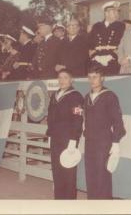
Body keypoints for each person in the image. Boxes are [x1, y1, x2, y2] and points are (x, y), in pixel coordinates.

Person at [83, 66, 126, 199]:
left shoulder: (109, 96)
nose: (92, 80)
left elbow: (118, 122)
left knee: (102, 176)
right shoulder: (86, 97)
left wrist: (115, 142)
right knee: (90, 175)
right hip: (89, 141)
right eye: (90, 77)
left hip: (103, 142)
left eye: (95, 77)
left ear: (102, 78)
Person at [46, 69, 84, 199]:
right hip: (55, 138)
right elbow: (50, 116)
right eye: (60, 77)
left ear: (71, 80)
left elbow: (78, 119)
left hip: (68, 139)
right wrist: (49, 134)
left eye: (65, 77)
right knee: (56, 170)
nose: (62, 80)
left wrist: (74, 139)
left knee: (68, 171)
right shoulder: (54, 95)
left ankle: (69, 202)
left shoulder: (76, 96)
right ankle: (59, 199)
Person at [88, 1, 125, 75]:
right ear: (106, 13)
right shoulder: (96, 26)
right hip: (97, 59)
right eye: (114, 11)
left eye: (117, 11)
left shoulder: (121, 26)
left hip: (113, 59)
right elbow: (90, 43)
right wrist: (92, 53)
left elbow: (123, 43)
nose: (117, 14)